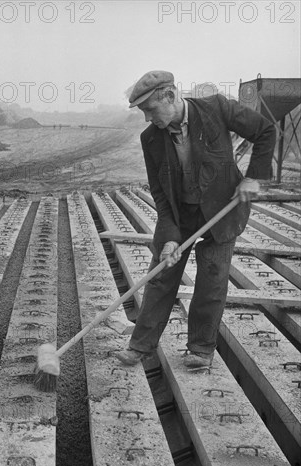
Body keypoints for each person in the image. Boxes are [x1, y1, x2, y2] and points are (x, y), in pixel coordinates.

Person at [117, 70, 276, 367]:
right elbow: (161, 195)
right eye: (143, 112)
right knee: (162, 275)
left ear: (171, 96)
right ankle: (140, 346)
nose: (148, 118)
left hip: (222, 209)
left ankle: (201, 349)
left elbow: (265, 131)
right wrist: (168, 238)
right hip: (182, 214)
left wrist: (254, 177)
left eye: (150, 109)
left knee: (212, 280)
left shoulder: (216, 108)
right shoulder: (151, 138)